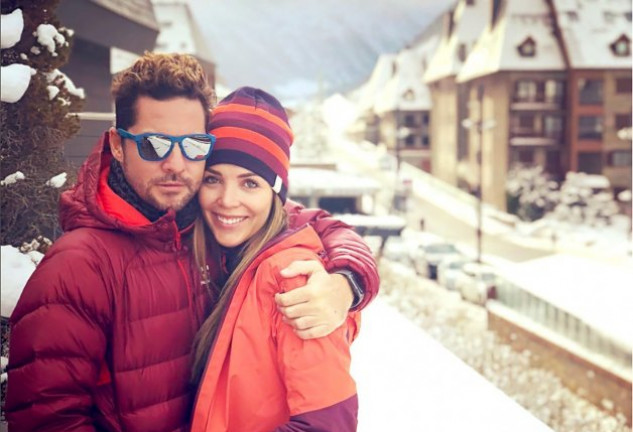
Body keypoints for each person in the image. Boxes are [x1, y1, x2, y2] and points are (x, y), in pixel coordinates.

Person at [5, 53, 378, 432]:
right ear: (118, 145)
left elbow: (310, 223)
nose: (176, 164)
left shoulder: (205, 227)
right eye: (154, 144)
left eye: (194, 145)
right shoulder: (79, 266)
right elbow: (47, 420)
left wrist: (348, 281)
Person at [190, 87, 360, 432]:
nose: (227, 200)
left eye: (249, 183)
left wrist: (349, 282)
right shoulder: (214, 258)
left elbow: (328, 424)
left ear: (275, 194)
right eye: (213, 179)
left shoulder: (293, 278)